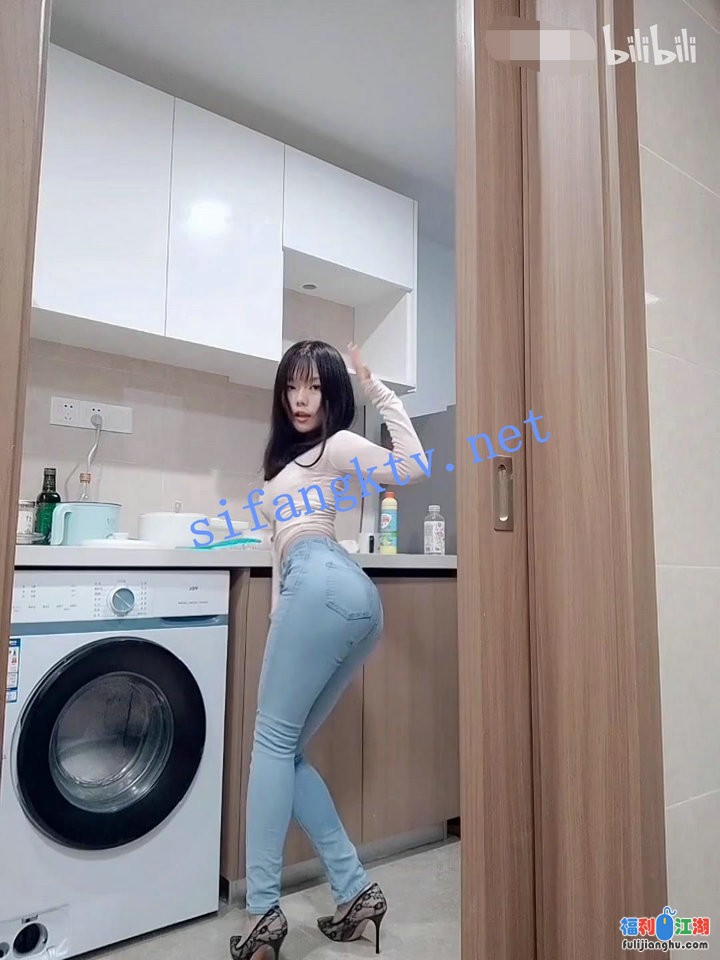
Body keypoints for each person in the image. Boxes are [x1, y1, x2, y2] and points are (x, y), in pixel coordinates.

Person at [230, 339, 428, 960]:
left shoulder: (335, 445)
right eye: (293, 385)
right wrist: (278, 618)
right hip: (339, 596)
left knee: (269, 745)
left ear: (331, 394)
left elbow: (413, 467)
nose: (301, 398)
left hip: (321, 581)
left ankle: (262, 914)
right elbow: (279, 557)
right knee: (286, 750)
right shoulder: (281, 468)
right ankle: (354, 890)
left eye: (314, 386)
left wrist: (376, 390)